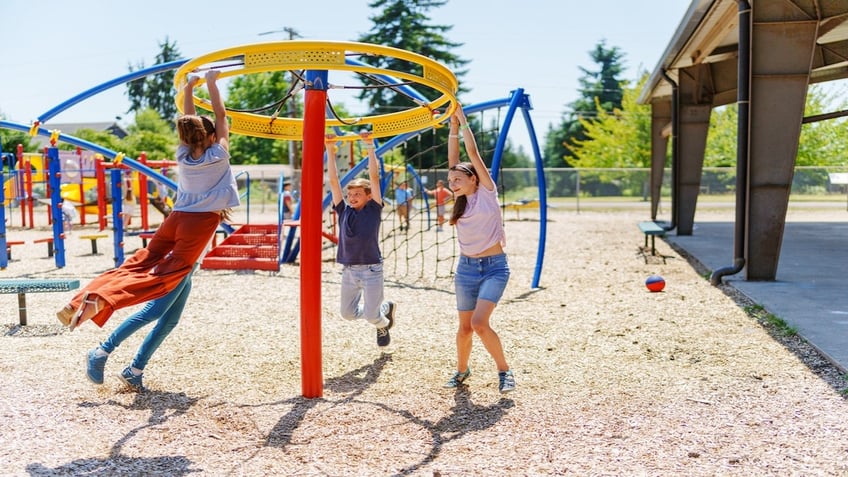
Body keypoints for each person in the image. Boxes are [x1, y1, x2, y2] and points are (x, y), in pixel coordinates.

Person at [56, 69, 239, 330]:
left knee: (138, 262)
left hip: (176, 218)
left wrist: (191, 86)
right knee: (165, 276)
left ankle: (76, 302)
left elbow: (203, 118)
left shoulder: (183, 154)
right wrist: (210, 82)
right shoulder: (218, 154)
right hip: (199, 222)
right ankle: (101, 302)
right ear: (211, 137)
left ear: (186, 137)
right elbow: (220, 115)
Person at [444, 104, 515, 393]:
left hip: (494, 268)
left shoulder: (486, 192)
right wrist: (450, 129)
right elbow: (453, 162)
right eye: (450, 181)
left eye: (458, 179)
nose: (453, 183)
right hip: (466, 269)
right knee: (464, 329)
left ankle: (505, 371)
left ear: (474, 178)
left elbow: (471, 156)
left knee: (479, 323)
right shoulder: (460, 201)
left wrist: (462, 122)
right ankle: (462, 370)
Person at [326, 133, 396, 347]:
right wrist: (330, 149)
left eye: (358, 194)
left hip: (372, 270)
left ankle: (382, 319)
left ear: (368, 196)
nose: (353, 197)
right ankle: (382, 310)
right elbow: (334, 182)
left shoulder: (374, 209)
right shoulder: (343, 210)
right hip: (349, 270)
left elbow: (374, 178)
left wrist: (370, 147)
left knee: (372, 318)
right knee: (347, 314)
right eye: (350, 195)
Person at [86, 265, 198, 392]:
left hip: (189, 269)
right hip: (177, 265)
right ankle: (101, 352)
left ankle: (134, 371)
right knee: (152, 312)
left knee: (169, 322)